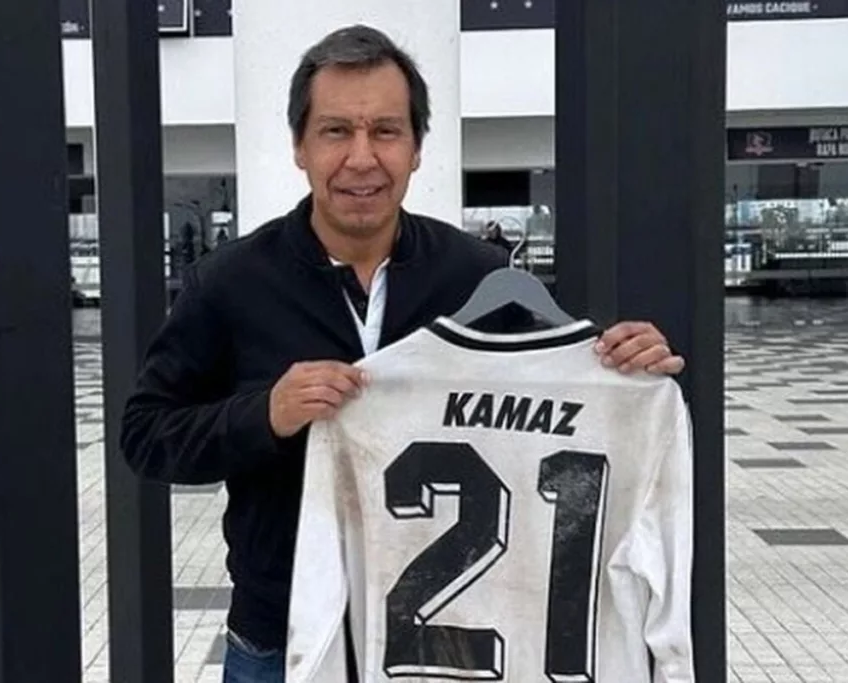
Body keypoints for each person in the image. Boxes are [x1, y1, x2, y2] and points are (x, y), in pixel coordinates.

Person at [119, 24, 685, 683]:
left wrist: (625, 365)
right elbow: (145, 433)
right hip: (283, 643)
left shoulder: (480, 278)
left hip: (449, 650)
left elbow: (569, 391)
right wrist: (264, 414)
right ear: (299, 146)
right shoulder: (229, 282)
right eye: (336, 131)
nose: (362, 157)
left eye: (386, 130)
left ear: (416, 148)